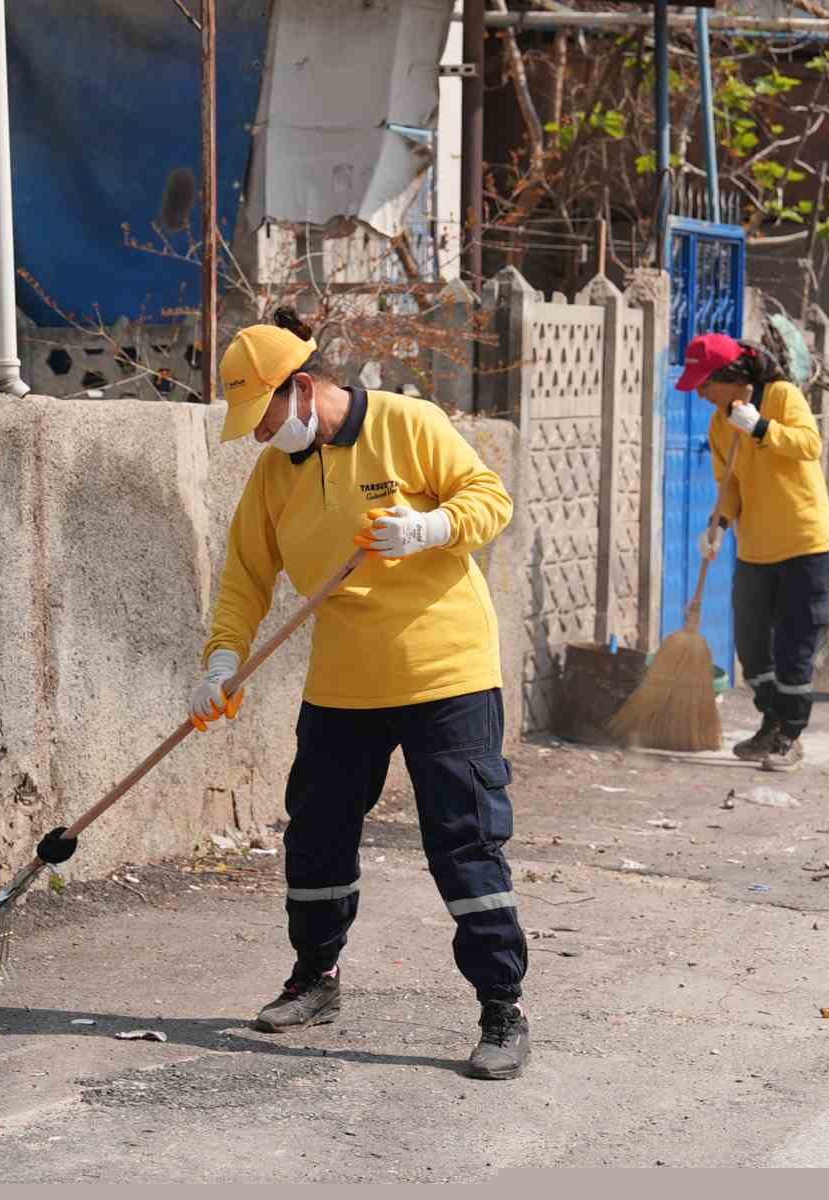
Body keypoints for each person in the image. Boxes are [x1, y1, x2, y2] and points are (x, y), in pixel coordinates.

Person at [187, 310, 530, 1080]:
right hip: (344, 682)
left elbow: (490, 499)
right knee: (316, 831)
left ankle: (502, 1009)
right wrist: (220, 661)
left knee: (463, 838)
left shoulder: (411, 424)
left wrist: (432, 526)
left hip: (447, 673)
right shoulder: (275, 474)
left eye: (264, 417)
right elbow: (246, 575)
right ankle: (316, 977)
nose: (257, 436)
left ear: (304, 388)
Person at [677, 331, 829, 772]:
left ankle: (790, 734)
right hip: (756, 549)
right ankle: (772, 721)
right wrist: (719, 523)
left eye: (706, 384)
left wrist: (763, 427)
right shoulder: (718, 424)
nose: (703, 394)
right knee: (752, 646)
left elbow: (809, 445)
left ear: (730, 375)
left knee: (794, 645)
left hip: (805, 544)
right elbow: (728, 485)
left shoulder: (782, 396)